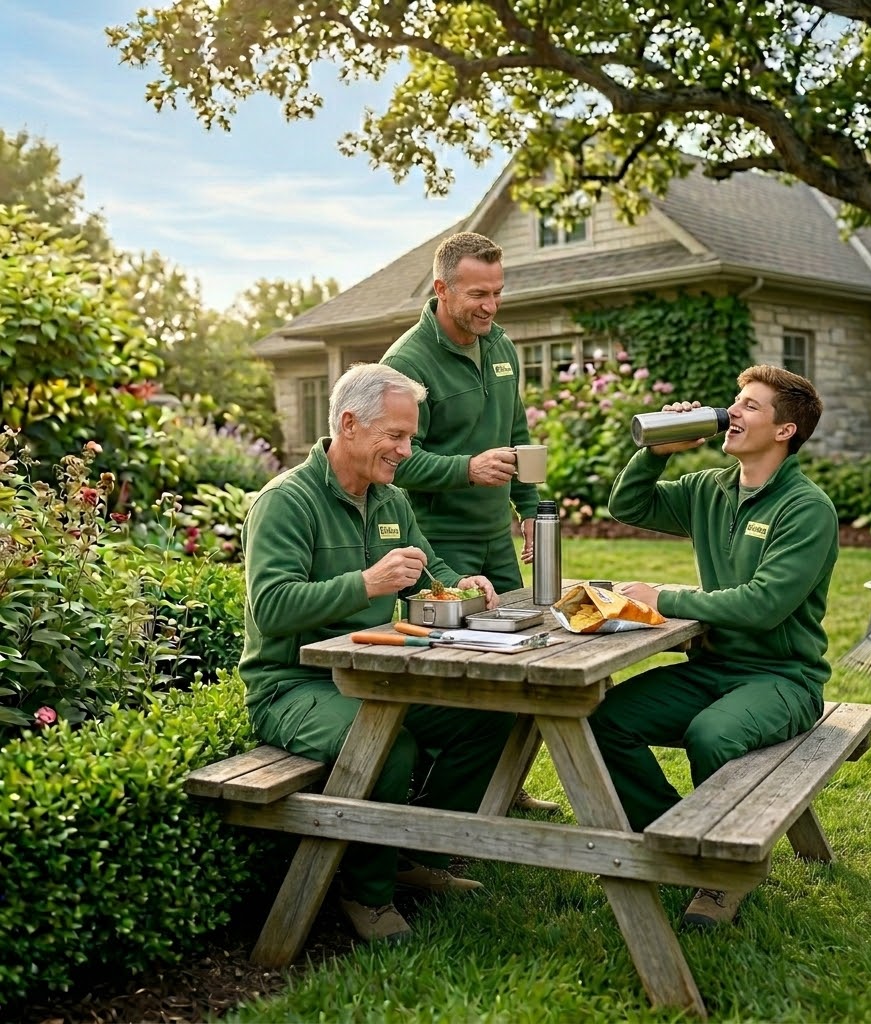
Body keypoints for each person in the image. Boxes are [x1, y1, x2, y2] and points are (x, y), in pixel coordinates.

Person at [239, 362, 516, 944]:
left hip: (371, 675)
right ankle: (366, 892)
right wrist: (365, 584)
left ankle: (410, 853)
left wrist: (465, 586)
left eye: (409, 436)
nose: (405, 449)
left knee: (492, 713)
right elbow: (272, 607)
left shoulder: (390, 500)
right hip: (294, 687)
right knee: (389, 743)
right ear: (348, 425)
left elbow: (426, 570)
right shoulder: (286, 502)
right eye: (395, 435)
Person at [588, 364, 838, 928]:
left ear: (784, 431)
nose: (733, 413)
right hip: (712, 667)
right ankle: (681, 837)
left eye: (750, 405)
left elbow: (762, 606)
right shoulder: (710, 488)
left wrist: (666, 597)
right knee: (602, 719)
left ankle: (720, 878)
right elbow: (628, 506)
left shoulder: (806, 509)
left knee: (714, 734)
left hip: (782, 679)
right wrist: (659, 450)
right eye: (735, 400)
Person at [379, 230, 558, 814]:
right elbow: (396, 460)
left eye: (498, 293)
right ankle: (438, 802)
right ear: (441, 289)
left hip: (495, 538)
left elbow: (519, 436)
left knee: (525, 656)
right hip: (440, 540)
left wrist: (530, 510)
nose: (490, 305)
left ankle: (502, 783)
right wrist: (465, 468)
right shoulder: (405, 363)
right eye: (478, 294)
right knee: (457, 669)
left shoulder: (500, 346)